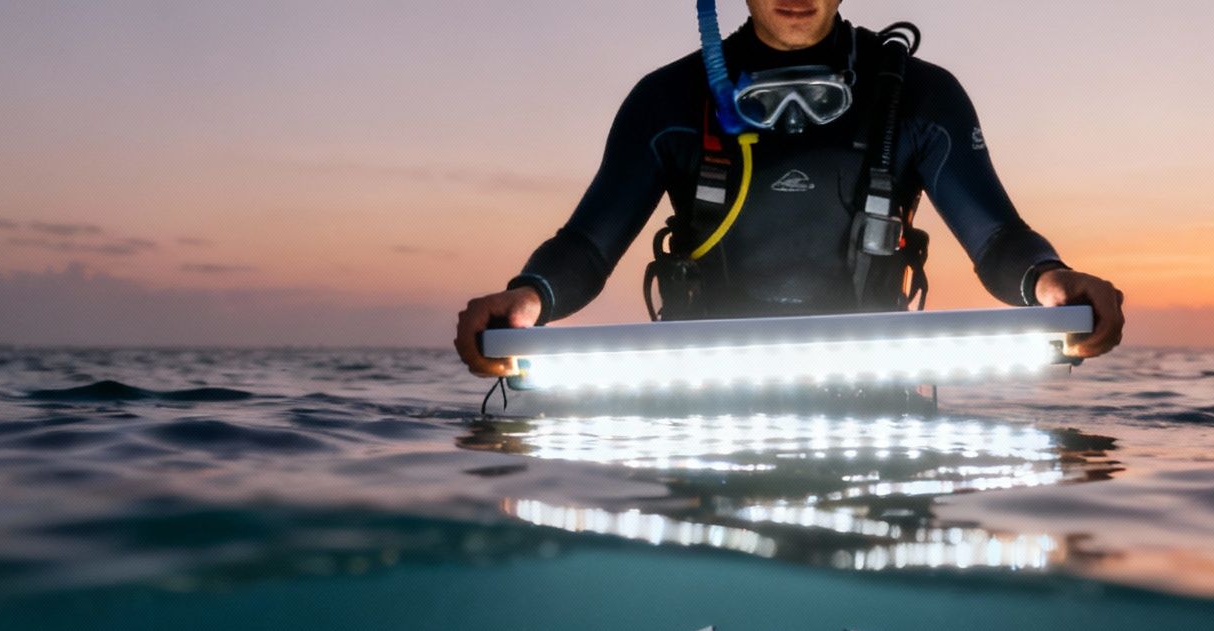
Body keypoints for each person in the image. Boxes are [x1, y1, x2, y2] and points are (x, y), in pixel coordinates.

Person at [454, 0, 1124, 378]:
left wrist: (1054, 283)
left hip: (876, 407)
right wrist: (526, 300)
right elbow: (587, 248)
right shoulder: (667, 101)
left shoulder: (921, 97)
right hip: (705, 406)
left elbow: (998, 240)